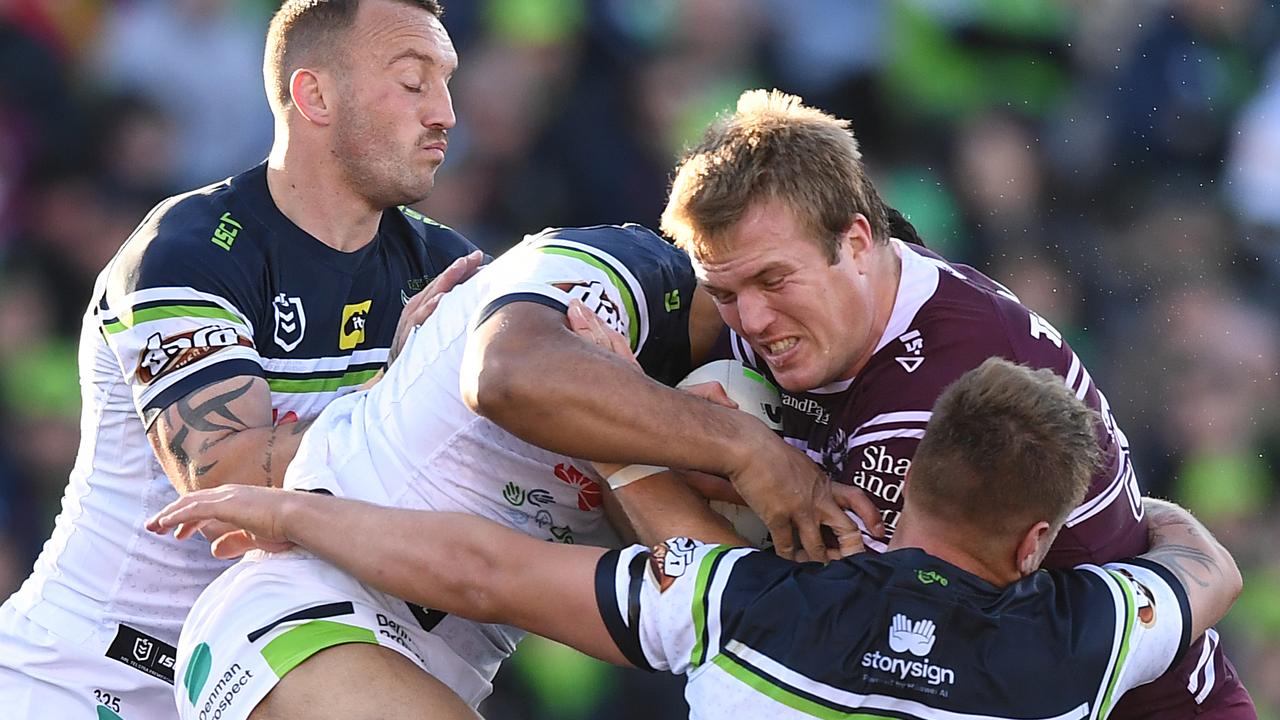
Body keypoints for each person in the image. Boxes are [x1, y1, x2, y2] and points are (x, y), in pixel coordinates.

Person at [147, 358, 1244, 718]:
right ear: (1034, 541)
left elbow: (481, 571)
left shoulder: (756, 600)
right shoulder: (1080, 640)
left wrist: (289, 511)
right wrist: (1143, 520)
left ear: (906, 480)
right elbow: (1205, 568)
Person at [630, 88, 1254, 718]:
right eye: (725, 292)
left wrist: (634, 459)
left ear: (854, 242)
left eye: (772, 281)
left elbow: (785, 628)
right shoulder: (844, 303)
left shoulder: (938, 399)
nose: (752, 320)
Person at [150, 222, 870, 720]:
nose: (724, 494)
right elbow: (506, 374)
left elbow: (704, 593)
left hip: (420, 661)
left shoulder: (651, 455)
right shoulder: (621, 279)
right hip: (295, 613)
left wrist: (636, 457)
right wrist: (743, 446)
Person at [0, 2, 484, 718]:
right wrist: (405, 396)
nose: (445, 112)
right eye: (413, 84)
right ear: (314, 95)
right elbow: (227, 489)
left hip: (286, 674)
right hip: (92, 678)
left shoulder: (447, 269)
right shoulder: (185, 251)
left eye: (447, 82)